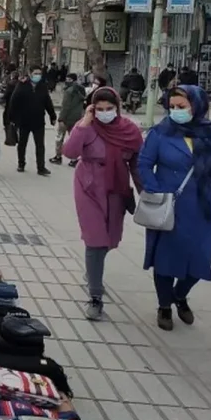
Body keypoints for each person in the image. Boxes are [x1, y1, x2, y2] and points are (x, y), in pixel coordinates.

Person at [137, 85, 211, 331]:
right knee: (166, 259)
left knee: (200, 259)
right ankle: (164, 305)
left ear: (197, 106)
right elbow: (145, 164)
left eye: (182, 106)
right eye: (172, 107)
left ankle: (180, 294)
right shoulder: (161, 133)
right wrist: (156, 189)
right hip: (170, 207)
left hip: (203, 208)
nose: (176, 111)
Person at [62, 88, 143, 321]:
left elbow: (137, 164)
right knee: (95, 240)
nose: (105, 113)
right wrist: (85, 122)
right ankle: (95, 296)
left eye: (109, 109)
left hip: (116, 190)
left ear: (117, 107)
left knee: (109, 239)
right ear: (92, 108)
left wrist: (146, 194)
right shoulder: (87, 127)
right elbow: (69, 152)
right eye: (99, 109)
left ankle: (92, 271)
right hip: (88, 187)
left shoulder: (129, 130)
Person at [8, 66, 57, 176]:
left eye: (39, 73)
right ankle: (21, 164)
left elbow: (47, 102)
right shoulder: (22, 85)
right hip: (24, 121)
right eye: (35, 73)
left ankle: (41, 167)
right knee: (22, 144)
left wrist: (52, 116)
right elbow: (14, 102)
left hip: (38, 121)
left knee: (40, 145)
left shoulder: (42, 86)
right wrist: (12, 118)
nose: (37, 76)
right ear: (30, 74)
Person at [51, 73, 86, 167]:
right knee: (74, 139)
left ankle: (58, 157)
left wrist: (61, 119)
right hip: (77, 118)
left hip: (66, 118)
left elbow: (65, 107)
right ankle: (74, 159)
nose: (67, 81)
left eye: (69, 80)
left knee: (59, 138)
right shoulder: (81, 90)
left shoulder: (69, 91)